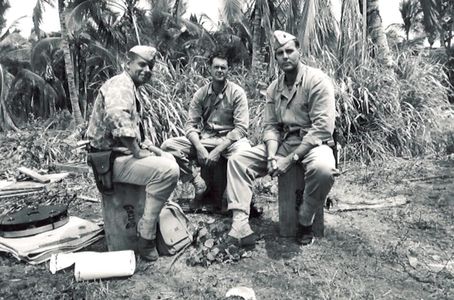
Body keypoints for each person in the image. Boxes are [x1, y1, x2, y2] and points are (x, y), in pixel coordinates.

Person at [225, 30, 337, 247]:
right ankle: (240, 224)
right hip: (285, 144)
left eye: (289, 51)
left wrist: (290, 159)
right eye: (279, 53)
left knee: (324, 169)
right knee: (238, 161)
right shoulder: (274, 88)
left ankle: (305, 219)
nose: (285, 56)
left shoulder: (317, 81)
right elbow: (271, 127)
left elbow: (322, 129)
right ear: (275, 58)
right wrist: (271, 156)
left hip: (314, 144)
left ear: (299, 52)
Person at [86, 45, 179, 261]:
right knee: (169, 171)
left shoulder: (130, 87)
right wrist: (137, 152)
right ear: (127, 64)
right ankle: (146, 234)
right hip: (109, 161)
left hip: (118, 156)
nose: (147, 69)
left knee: (169, 157)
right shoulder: (121, 85)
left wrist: (155, 150)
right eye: (142, 64)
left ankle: (152, 220)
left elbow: (135, 132)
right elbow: (116, 117)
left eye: (150, 66)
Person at [161, 51, 251, 210]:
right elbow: (190, 125)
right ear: (210, 69)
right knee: (169, 146)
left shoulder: (237, 93)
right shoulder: (201, 94)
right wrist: (199, 147)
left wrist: (218, 150)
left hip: (230, 141)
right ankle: (197, 181)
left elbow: (241, 128)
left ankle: (232, 198)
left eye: (223, 67)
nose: (220, 71)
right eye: (216, 67)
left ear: (228, 70)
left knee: (245, 154)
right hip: (206, 138)